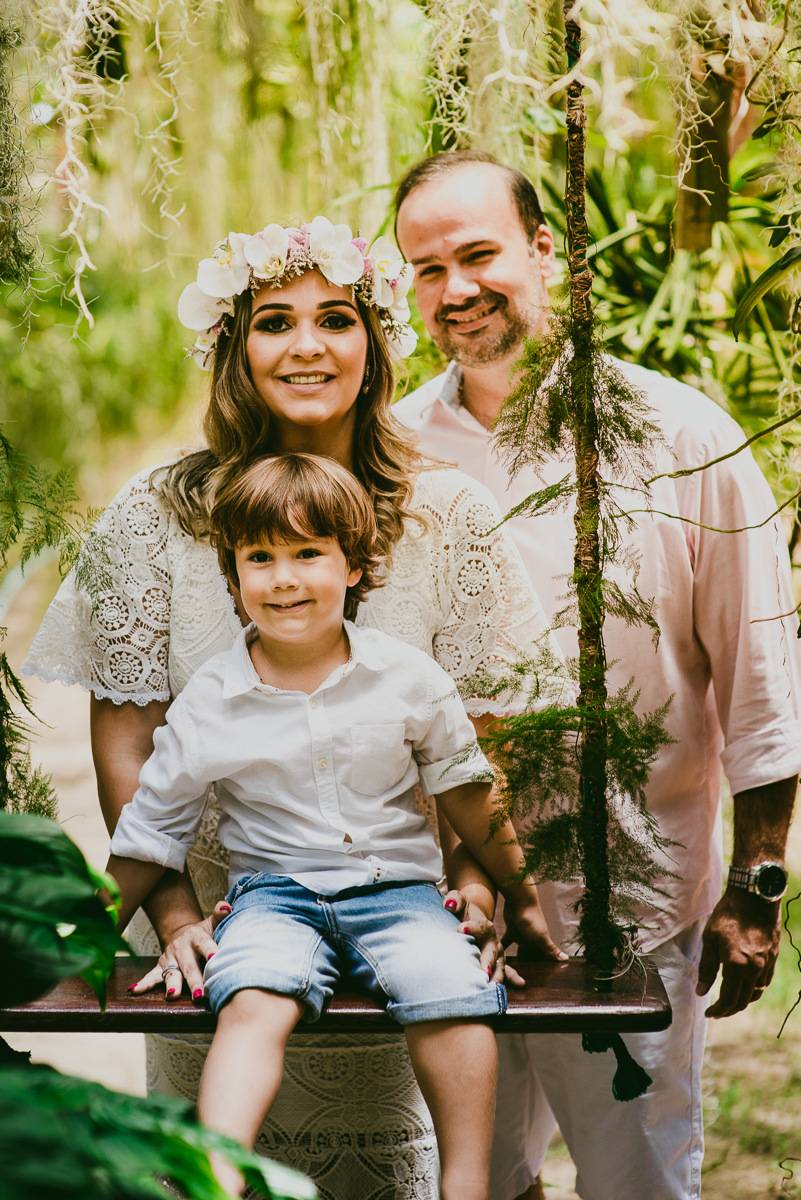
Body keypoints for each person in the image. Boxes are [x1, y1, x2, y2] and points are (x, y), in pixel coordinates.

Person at [23, 214, 565, 1199]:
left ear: (375, 342)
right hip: (232, 925)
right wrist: (179, 911)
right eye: (275, 320)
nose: (308, 345)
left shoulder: (454, 511)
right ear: (235, 348)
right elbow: (129, 738)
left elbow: (490, 731)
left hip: (408, 902)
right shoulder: (152, 511)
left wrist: (480, 884)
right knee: (240, 1133)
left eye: (336, 319)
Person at [392, 149, 801, 1200]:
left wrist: (758, 888)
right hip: (443, 916)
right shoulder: (390, 454)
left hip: (636, 905)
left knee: (640, 1183)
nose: (456, 291)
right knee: (472, 1181)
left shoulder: (683, 436)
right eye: (427, 270)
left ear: (545, 248)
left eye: (479, 255)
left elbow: (761, 683)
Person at [107, 450, 561, 1200]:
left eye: (308, 553)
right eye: (260, 558)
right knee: (250, 995)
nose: (283, 578)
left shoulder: (406, 677)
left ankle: (466, 1186)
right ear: (232, 579)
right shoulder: (213, 697)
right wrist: (87, 938)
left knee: (448, 986)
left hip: (401, 893)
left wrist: (523, 899)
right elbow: (151, 829)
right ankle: (217, 1177)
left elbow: (469, 794)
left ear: (354, 565)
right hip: (272, 897)